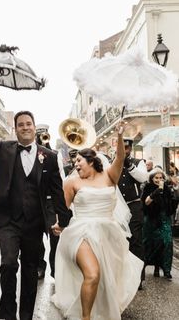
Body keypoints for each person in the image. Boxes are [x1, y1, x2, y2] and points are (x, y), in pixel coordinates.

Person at [0, 111, 71, 320]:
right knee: (8, 264)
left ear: (34, 127)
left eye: (28, 124)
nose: (25, 127)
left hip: (34, 224)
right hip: (8, 221)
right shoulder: (4, 149)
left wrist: (64, 221)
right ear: (15, 129)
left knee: (30, 269)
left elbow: (57, 192)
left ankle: (26, 315)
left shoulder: (49, 157)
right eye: (20, 125)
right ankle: (8, 314)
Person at [52, 122, 143, 320]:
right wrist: (58, 224)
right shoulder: (71, 182)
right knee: (92, 274)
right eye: (74, 162)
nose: (76, 165)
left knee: (105, 280)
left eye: (79, 161)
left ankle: (97, 310)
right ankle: (85, 318)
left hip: (108, 234)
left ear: (91, 161)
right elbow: (63, 210)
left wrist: (119, 136)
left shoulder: (110, 176)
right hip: (81, 232)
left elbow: (119, 157)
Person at [35, 123, 65, 280]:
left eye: (45, 135)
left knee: (55, 237)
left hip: (50, 202)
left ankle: (55, 270)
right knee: (36, 238)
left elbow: (61, 180)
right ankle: (40, 266)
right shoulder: (31, 153)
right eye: (40, 135)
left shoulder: (55, 154)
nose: (42, 138)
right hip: (36, 202)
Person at [118, 137, 148, 289]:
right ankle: (122, 277)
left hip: (133, 206)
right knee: (119, 242)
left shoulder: (138, 162)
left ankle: (138, 278)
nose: (124, 150)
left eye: (127, 148)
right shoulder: (112, 162)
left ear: (130, 148)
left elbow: (143, 177)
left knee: (135, 241)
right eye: (121, 147)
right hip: (117, 209)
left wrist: (128, 164)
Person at [141, 168, 177, 280]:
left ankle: (166, 270)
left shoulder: (167, 189)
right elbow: (146, 203)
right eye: (156, 178)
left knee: (167, 242)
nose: (159, 180)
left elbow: (172, 204)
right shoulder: (147, 188)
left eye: (161, 178)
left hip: (164, 219)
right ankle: (153, 267)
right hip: (151, 219)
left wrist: (174, 197)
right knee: (151, 243)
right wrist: (156, 193)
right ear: (152, 179)